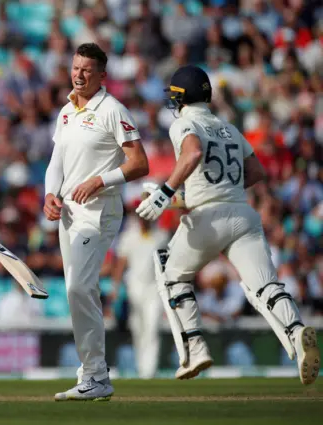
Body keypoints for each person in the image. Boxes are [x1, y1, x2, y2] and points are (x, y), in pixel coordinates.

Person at [137, 65, 320, 385]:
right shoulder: (230, 128)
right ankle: (296, 331)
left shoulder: (184, 123)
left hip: (209, 218)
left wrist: (166, 193)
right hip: (243, 214)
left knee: (169, 271)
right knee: (265, 286)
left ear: (183, 96)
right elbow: (257, 173)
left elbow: (192, 152)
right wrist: (192, 195)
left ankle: (195, 348)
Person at [44, 43, 150, 401]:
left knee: (77, 287)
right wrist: (49, 194)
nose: (79, 75)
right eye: (75, 68)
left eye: (87, 70)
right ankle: (93, 372)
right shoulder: (66, 111)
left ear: (102, 76)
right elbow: (56, 162)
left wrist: (100, 180)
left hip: (99, 212)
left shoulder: (113, 110)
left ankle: (95, 374)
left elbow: (140, 164)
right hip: (70, 214)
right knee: (79, 290)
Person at [113, 202, 169, 379]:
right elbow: (121, 264)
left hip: (154, 289)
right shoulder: (128, 236)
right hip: (134, 288)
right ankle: (141, 368)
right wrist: (115, 288)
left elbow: (166, 265)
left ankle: (149, 371)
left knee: (152, 327)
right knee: (138, 329)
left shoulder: (161, 236)